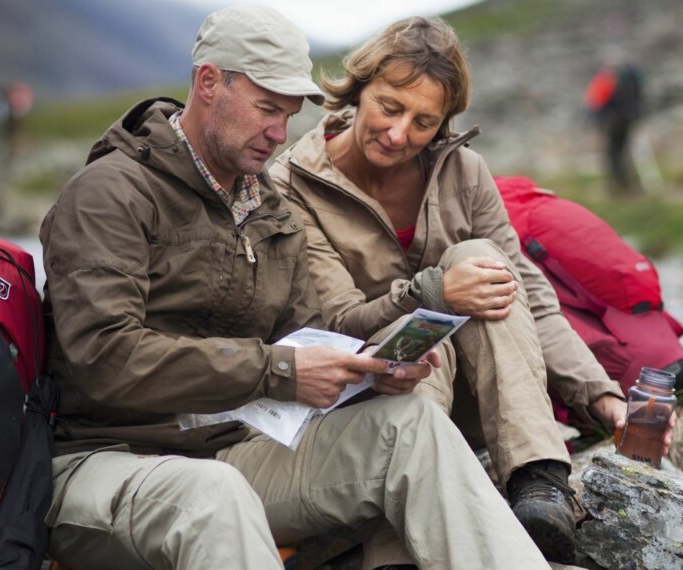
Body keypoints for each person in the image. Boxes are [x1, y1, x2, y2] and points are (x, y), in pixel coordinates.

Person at [40, 6, 548, 570]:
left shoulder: (268, 211)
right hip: (106, 460)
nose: (280, 134)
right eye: (265, 109)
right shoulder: (109, 194)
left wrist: (370, 373)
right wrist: (278, 372)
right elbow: (106, 357)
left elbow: (309, 338)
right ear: (208, 82)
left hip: (235, 449)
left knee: (410, 423)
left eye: (287, 116)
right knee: (213, 495)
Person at [270, 17, 675, 565]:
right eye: (390, 107)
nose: (399, 134)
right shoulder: (291, 183)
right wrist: (433, 293)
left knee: (482, 261)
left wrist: (603, 397)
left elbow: (531, 296)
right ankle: (396, 549)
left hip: (474, 400)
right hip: (366, 405)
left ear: (443, 123)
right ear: (359, 88)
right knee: (432, 319)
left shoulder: (463, 170)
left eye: (423, 122)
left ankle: (539, 484)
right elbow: (340, 320)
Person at [584, 60, 644, 196]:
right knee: (621, 151)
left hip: (612, 121)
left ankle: (617, 185)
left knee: (613, 154)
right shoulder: (630, 81)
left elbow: (597, 101)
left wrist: (597, 120)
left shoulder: (607, 81)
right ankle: (626, 184)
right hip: (628, 119)